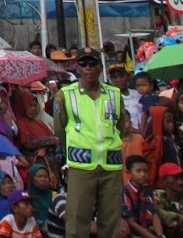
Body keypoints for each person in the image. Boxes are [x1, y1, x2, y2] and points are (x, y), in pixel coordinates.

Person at [52, 50, 129, 238]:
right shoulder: (65, 95)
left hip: (110, 164)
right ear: (77, 67)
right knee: (78, 219)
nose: (88, 68)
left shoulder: (114, 94)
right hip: (81, 165)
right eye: (84, 64)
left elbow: (120, 126)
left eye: (92, 64)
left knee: (110, 220)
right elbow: (59, 130)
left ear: (100, 68)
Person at [123, 155, 164, 238]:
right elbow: (131, 222)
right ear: (129, 173)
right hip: (132, 233)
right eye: (138, 171)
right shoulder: (124, 192)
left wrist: (160, 235)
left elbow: (154, 214)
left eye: (146, 171)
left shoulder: (148, 191)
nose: (143, 174)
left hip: (147, 230)